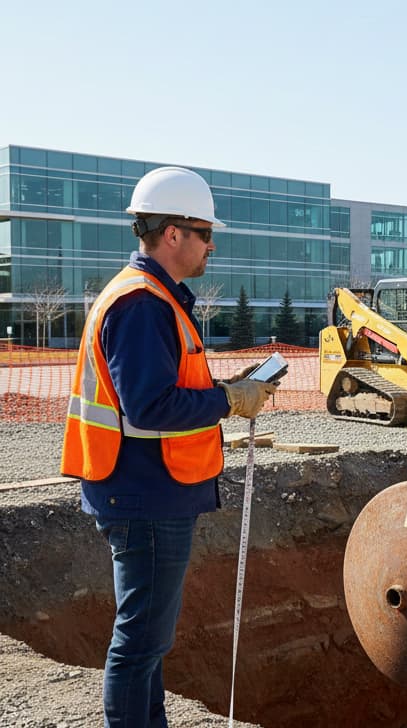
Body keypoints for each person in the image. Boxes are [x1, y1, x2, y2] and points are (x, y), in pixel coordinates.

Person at [60, 166, 277, 726]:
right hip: (145, 495)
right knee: (139, 647)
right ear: (173, 233)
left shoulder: (155, 298)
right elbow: (150, 406)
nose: (212, 245)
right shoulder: (141, 305)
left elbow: (168, 388)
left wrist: (225, 390)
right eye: (206, 233)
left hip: (145, 491)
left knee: (147, 644)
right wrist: (229, 400)